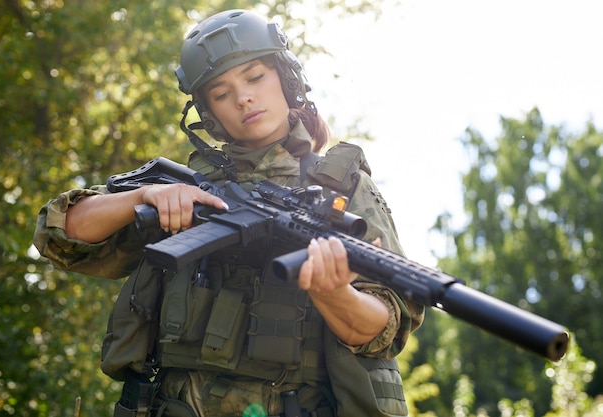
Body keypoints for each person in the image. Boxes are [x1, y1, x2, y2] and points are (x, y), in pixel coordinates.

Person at [33, 8, 424, 417]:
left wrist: (334, 293)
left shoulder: (341, 192)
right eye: (221, 93)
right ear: (209, 113)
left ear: (286, 80)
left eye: (255, 77)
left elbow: (384, 329)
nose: (243, 98)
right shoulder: (187, 190)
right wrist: (144, 197)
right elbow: (57, 233)